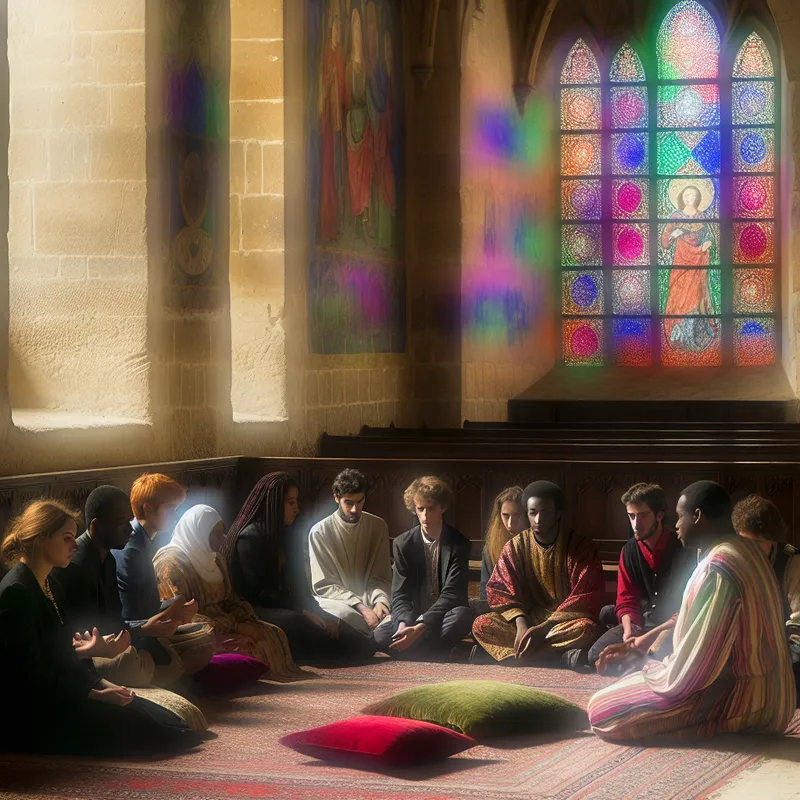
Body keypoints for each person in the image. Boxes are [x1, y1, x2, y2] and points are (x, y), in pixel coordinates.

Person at [588, 481, 795, 742]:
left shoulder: (719, 567)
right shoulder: (746, 551)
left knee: (602, 710)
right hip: (776, 699)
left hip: (748, 702)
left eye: (680, 516)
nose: (676, 524)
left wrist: (649, 669)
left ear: (697, 516)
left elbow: (695, 672)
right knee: (630, 682)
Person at [0, 499, 202, 756]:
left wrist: (100, 677)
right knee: (163, 736)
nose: (74, 545)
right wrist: (93, 694)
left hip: (63, 689)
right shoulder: (17, 593)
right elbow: (32, 677)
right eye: (66, 538)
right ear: (41, 539)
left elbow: (61, 654)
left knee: (171, 722)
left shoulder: (51, 585)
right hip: (35, 708)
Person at [51, 485, 212, 687]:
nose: (129, 528)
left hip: (123, 640)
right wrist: (145, 630)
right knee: (130, 664)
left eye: (129, 521)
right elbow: (91, 637)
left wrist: (162, 619)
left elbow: (117, 621)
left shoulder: (108, 559)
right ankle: (158, 672)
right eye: (121, 523)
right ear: (96, 527)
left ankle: (158, 670)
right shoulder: (75, 566)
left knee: (202, 639)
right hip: (95, 653)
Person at [154, 504, 311, 682]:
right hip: (196, 630)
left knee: (270, 632)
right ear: (196, 532)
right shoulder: (171, 564)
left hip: (225, 620)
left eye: (223, 532)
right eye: (215, 533)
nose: (222, 539)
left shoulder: (216, 559)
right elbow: (176, 613)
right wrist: (225, 628)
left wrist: (242, 617)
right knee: (242, 643)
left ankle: (271, 677)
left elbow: (229, 597)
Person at [221, 472, 357, 664]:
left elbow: (300, 584)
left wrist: (316, 611)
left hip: (287, 605)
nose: (297, 509)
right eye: (290, 503)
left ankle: (353, 647)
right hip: (258, 608)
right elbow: (259, 593)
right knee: (298, 623)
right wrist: (303, 612)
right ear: (274, 504)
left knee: (339, 622)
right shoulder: (249, 539)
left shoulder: (287, 533)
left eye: (296, 502)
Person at [472, 480, 604, 669]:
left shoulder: (580, 547)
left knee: (585, 629)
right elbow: (499, 591)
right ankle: (556, 657)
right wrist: (521, 625)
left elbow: (585, 596)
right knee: (481, 624)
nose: (538, 519)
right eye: (533, 513)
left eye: (546, 512)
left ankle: (517, 656)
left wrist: (544, 629)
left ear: (558, 514)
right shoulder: (515, 546)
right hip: (527, 620)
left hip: (563, 624)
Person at [588, 483, 697, 668]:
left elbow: (688, 606)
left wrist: (647, 639)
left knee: (661, 654)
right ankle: (633, 660)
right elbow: (627, 598)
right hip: (642, 623)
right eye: (632, 516)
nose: (636, 524)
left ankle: (637, 662)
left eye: (643, 516)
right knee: (595, 655)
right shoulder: (629, 550)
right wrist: (629, 632)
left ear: (660, 516)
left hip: (672, 625)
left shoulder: (683, 549)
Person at [374, 477, 474, 660]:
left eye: (431, 509)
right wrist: (403, 626)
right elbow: (400, 594)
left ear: (443, 507)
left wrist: (421, 626)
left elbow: (452, 594)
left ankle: (412, 650)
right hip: (413, 616)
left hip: (442, 616)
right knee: (380, 635)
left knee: (463, 616)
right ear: (414, 509)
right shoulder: (402, 544)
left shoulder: (459, 544)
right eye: (420, 509)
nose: (425, 516)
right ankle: (437, 651)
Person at [308, 469, 390, 650]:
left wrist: (380, 602)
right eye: (349, 503)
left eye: (360, 502)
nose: (355, 509)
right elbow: (324, 585)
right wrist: (362, 608)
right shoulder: (320, 531)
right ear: (336, 498)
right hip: (339, 603)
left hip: (371, 598)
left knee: (392, 619)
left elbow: (381, 576)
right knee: (340, 616)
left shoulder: (378, 526)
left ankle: (371, 640)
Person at [732, 494, 800, 706]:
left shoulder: (792, 563)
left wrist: (778, 663)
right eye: (743, 542)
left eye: (756, 543)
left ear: (772, 540)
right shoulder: (736, 562)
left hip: (787, 652)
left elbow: (798, 627)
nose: (749, 550)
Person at [116, 473, 187, 623]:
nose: (176, 516)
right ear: (148, 509)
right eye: (170, 508)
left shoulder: (140, 539)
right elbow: (139, 614)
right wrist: (176, 606)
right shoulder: (133, 550)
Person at [480, 487, 526, 601]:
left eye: (517, 515)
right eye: (506, 516)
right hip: (500, 608)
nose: (510, 523)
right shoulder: (491, 548)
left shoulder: (536, 544)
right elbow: (485, 589)